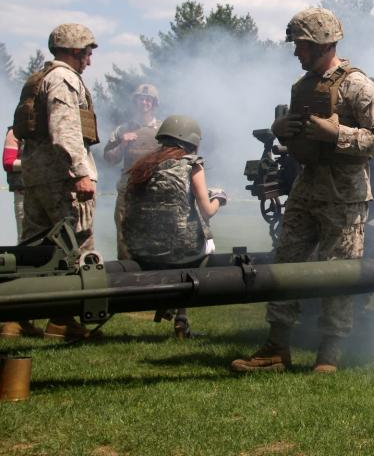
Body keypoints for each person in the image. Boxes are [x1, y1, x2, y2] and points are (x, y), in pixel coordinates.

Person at [230, 7, 374, 374]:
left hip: (345, 193)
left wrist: (336, 133)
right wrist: (280, 126)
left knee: (339, 273)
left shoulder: (358, 86)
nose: (296, 52)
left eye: (301, 45)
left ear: (322, 44)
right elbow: (296, 130)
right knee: (286, 265)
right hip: (306, 188)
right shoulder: (301, 87)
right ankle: (276, 348)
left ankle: (329, 355)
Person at [14, 23, 100, 340]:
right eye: (88, 53)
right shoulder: (64, 79)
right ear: (76, 51)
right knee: (75, 245)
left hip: (36, 175)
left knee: (33, 250)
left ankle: (16, 318)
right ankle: (63, 320)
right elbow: (65, 130)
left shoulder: (39, 80)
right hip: (61, 178)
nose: (89, 60)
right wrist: (80, 172)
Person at [122, 115, 226, 339]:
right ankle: (180, 316)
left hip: (141, 251)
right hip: (183, 253)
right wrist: (220, 197)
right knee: (204, 244)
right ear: (192, 142)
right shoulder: (192, 164)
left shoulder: (143, 166)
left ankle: (176, 313)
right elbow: (207, 210)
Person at [103, 83, 162, 261]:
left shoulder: (163, 129)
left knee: (156, 235)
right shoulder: (122, 129)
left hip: (156, 189)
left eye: (148, 99)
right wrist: (122, 143)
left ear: (154, 103)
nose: (144, 102)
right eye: (140, 99)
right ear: (134, 102)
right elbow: (109, 159)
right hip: (128, 189)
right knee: (124, 236)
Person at [0, 127, 43, 338]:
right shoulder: (15, 132)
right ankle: (16, 318)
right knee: (26, 251)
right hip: (25, 195)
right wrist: (38, 164)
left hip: (43, 195)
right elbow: (8, 162)